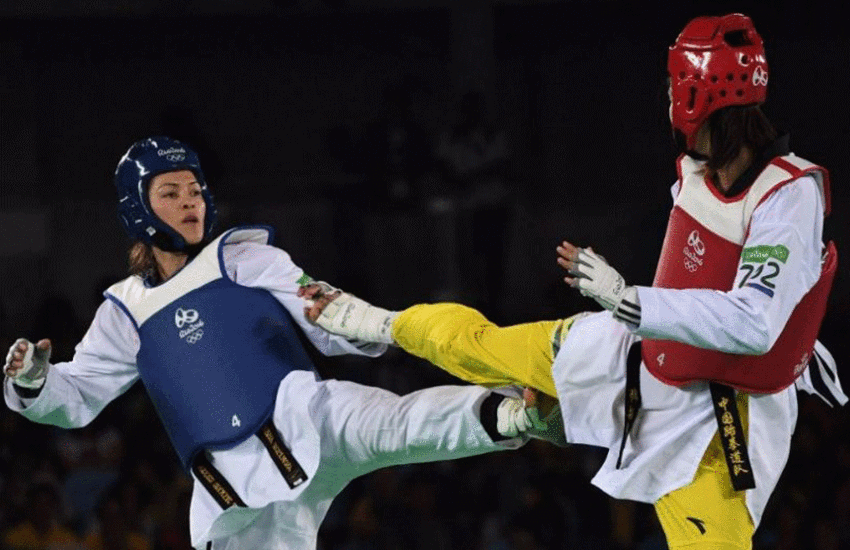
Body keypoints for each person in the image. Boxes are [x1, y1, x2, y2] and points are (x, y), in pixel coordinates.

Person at [302, 14, 847, 550]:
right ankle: (374, 320)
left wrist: (629, 298)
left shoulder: (789, 196)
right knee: (477, 347)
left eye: (672, 84)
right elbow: (704, 278)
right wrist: (630, 309)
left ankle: (562, 419)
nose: (667, 98)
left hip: (716, 418)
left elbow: (755, 320)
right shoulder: (694, 170)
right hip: (634, 356)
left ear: (693, 95)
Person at [2, 136, 566, 550]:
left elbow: (321, 313)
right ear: (137, 208)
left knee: (398, 424)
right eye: (170, 192)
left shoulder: (244, 256)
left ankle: (520, 416)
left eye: (195, 189)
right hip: (236, 490)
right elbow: (74, 399)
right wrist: (34, 383)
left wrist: (349, 317)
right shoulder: (124, 309)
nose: (190, 201)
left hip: (306, 415)